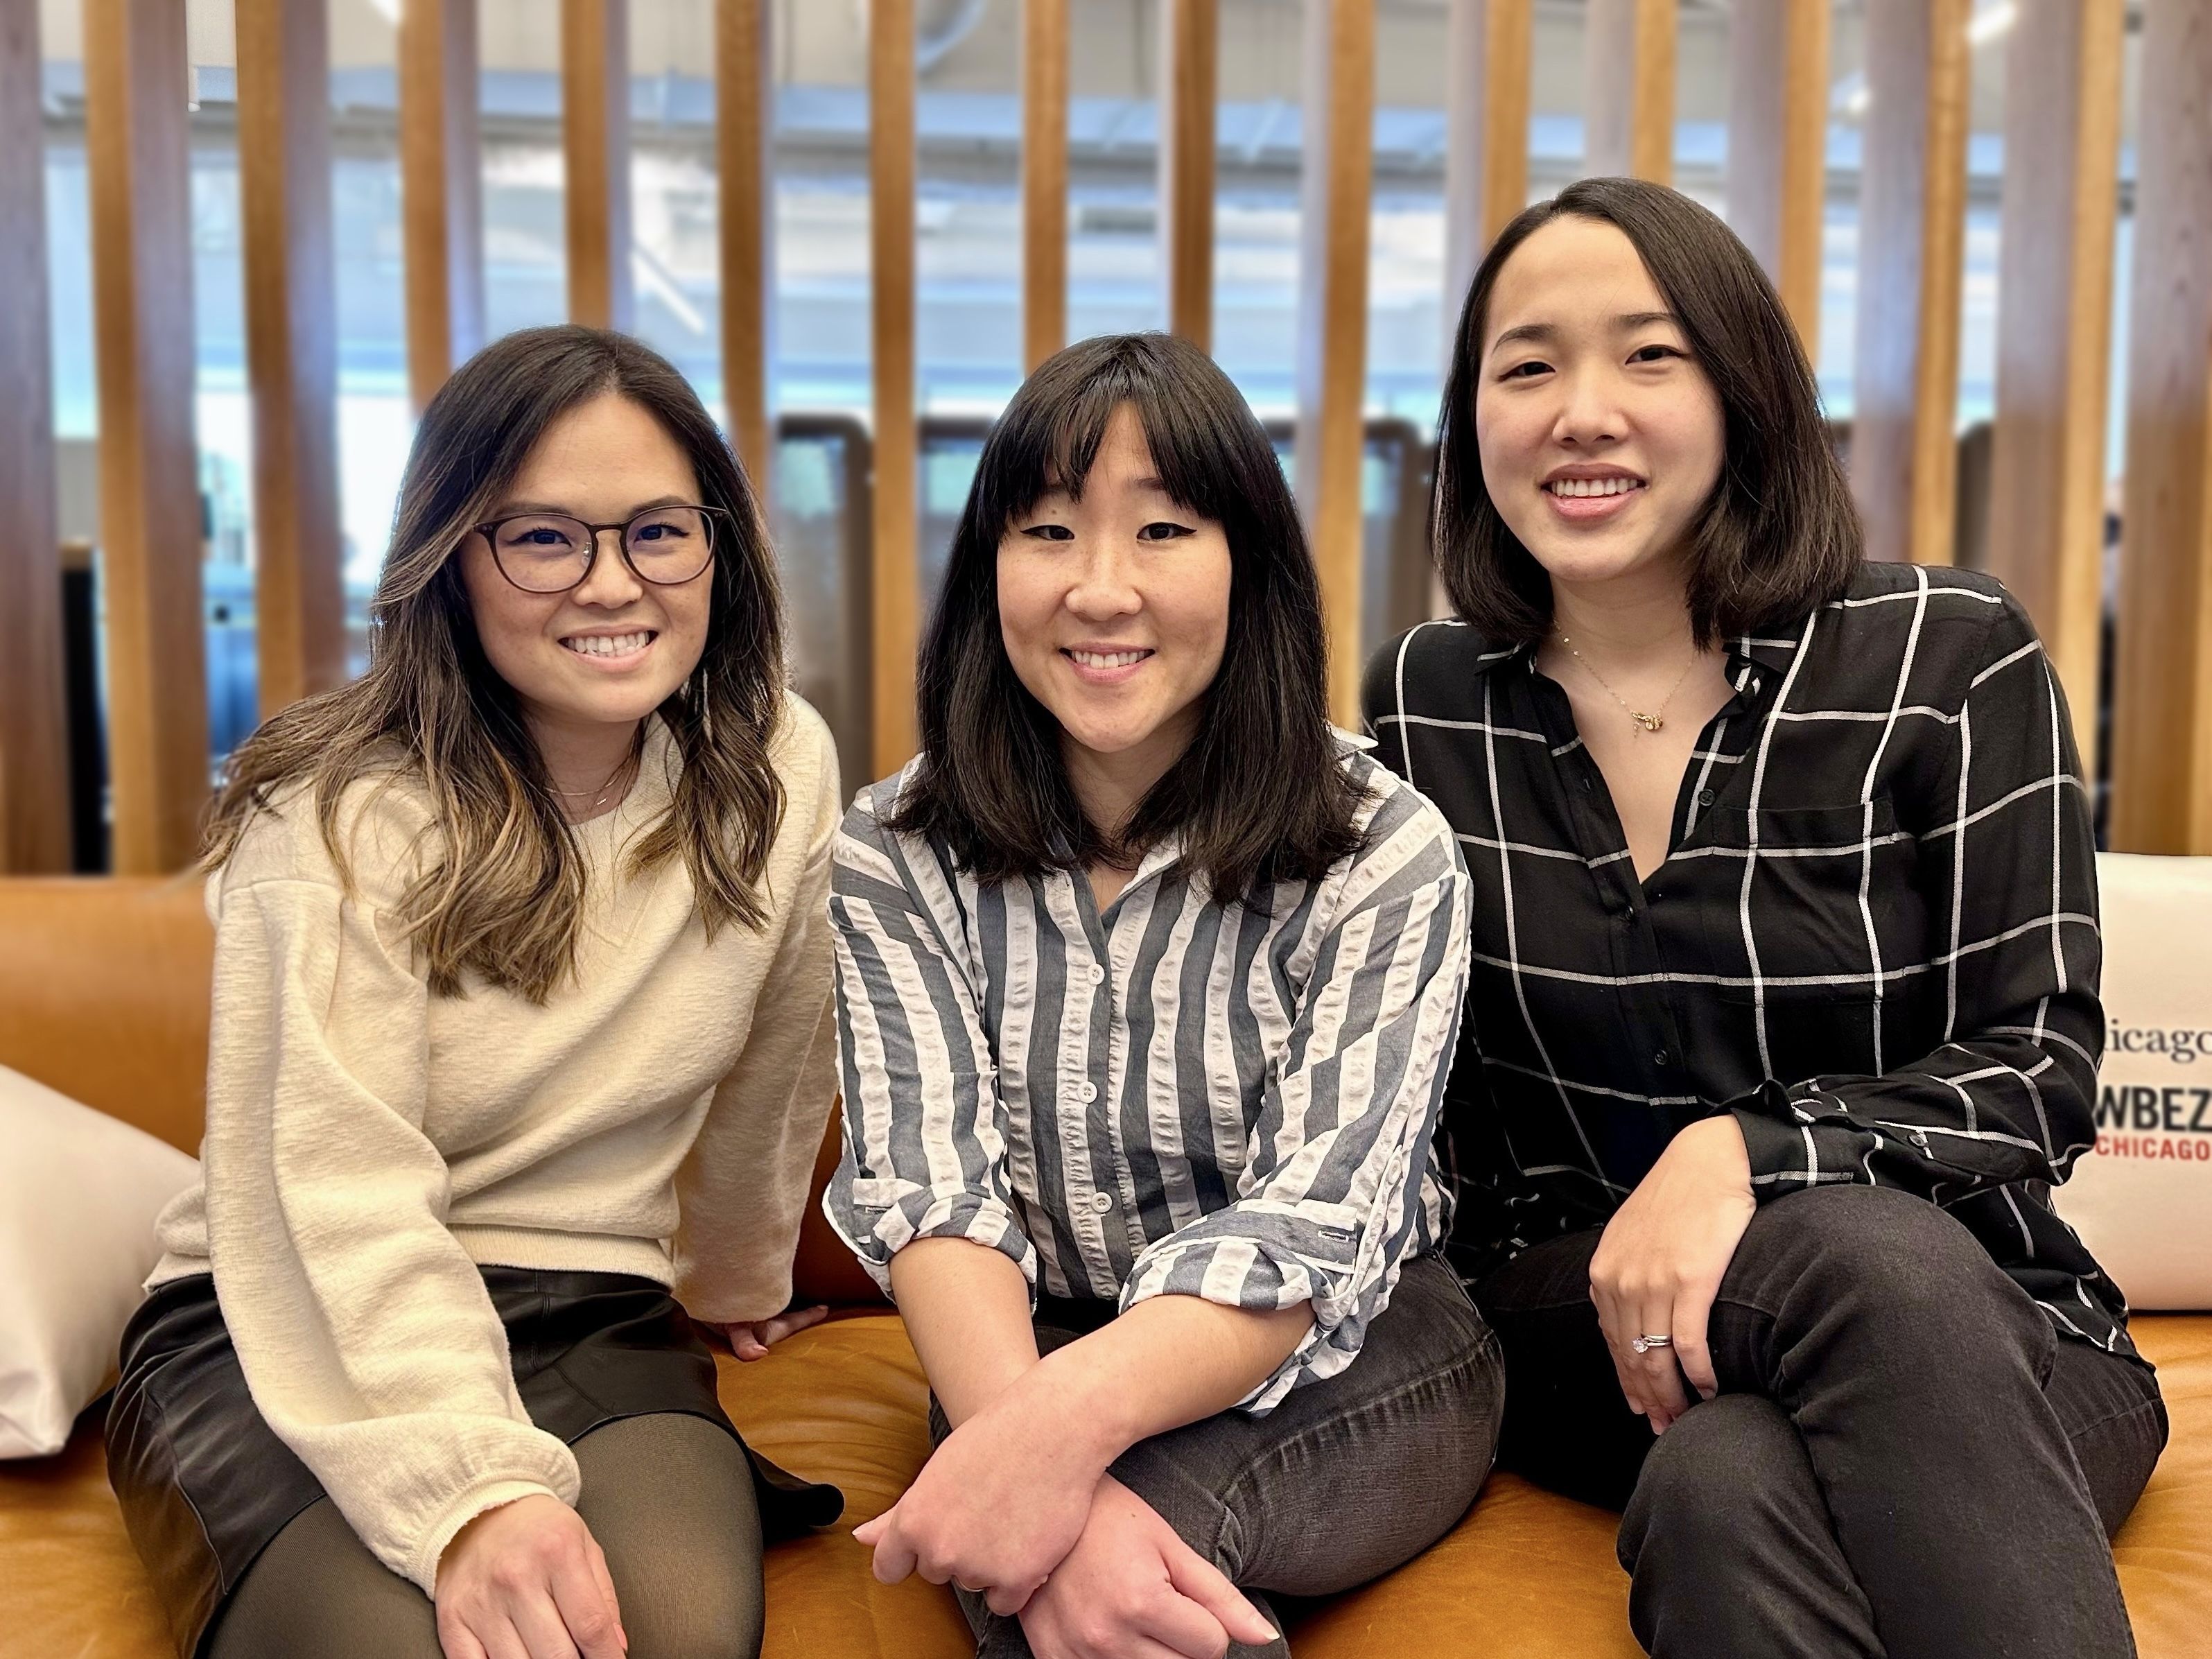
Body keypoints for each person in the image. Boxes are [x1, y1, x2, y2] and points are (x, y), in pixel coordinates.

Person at [1365, 177, 2165, 1659]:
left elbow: (2037, 1067)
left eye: (1648, 356)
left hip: (1982, 1333)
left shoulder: (1947, 654)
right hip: (1593, 1332)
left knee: (1733, 1483)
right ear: (1472, 420)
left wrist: (1741, 1154)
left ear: (1744, 392)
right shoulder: (1425, 702)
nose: (1580, 411)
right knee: (1837, 1286)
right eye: (1526, 365)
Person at [107, 325, 845, 1659]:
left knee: (668, 1635)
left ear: (719, 548)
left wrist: (739, 1273)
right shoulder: (333, 806)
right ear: (450, 557)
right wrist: (475, 1494)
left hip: (588, 1299)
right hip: (289, 1304)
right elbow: (335, 1190)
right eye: (545, 537)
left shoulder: (778, 765)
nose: (611, 582)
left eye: (659, 532)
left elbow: (777, 1064)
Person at [826, 331, 1500, 1659]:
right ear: (988, 571)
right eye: (1049, 530)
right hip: (1025, 1344)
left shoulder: (1380, 845)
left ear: (1247, 564)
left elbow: (1312, 1231)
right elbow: (933, 1197)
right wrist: (1024, 1429)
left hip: (1355, 1347)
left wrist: (1039, 1451)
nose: (1101, 588)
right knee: (1061, 1579)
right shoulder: (894, 847)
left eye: (1164, 531)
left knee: (1075, 1542)